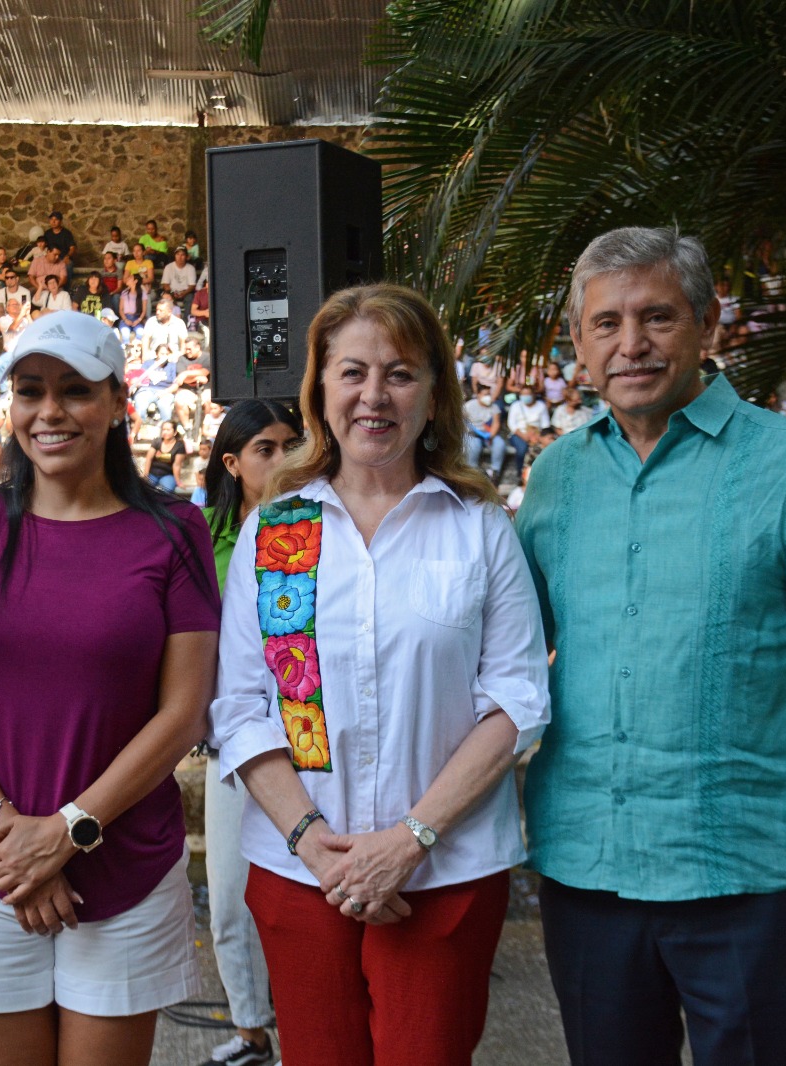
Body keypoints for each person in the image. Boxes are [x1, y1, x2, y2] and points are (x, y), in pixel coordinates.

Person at [515, 227, 786, 1066]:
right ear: (578, 341)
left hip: (746, 875)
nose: (631, 344)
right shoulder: (555, 477)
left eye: (657, 317)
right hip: (587, 868)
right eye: (606, 323)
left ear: (708, 323)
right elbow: (505, 656)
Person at [209, 283, 551, 1066]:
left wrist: (409, 839)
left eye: (399, 373)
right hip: (301, 872)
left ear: (433, 396)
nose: (374, 395)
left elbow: (517, 698)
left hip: (443, 872)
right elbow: (242, 705)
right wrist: (312, 842)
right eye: (353, 372)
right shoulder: (277, 531)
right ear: (320, 391)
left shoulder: (477, 529)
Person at [0, 310, 217, 1066]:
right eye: (30, 391)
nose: (49, 411)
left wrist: (68, 831)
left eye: (75, 390)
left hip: (125, 865)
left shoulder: (174, 531)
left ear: (117, 403)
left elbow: (184, 711)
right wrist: (13, 839)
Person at [198, 399, 302, 1066]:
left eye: (293, 444)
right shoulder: (200, 534)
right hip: (232, 742)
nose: (283, 458)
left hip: (310, 745)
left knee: (305, 904)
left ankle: (306, 1036)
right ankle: (251, 1031)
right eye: (266, 448)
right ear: (233, 463)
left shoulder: (321, 523)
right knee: (231, 900)